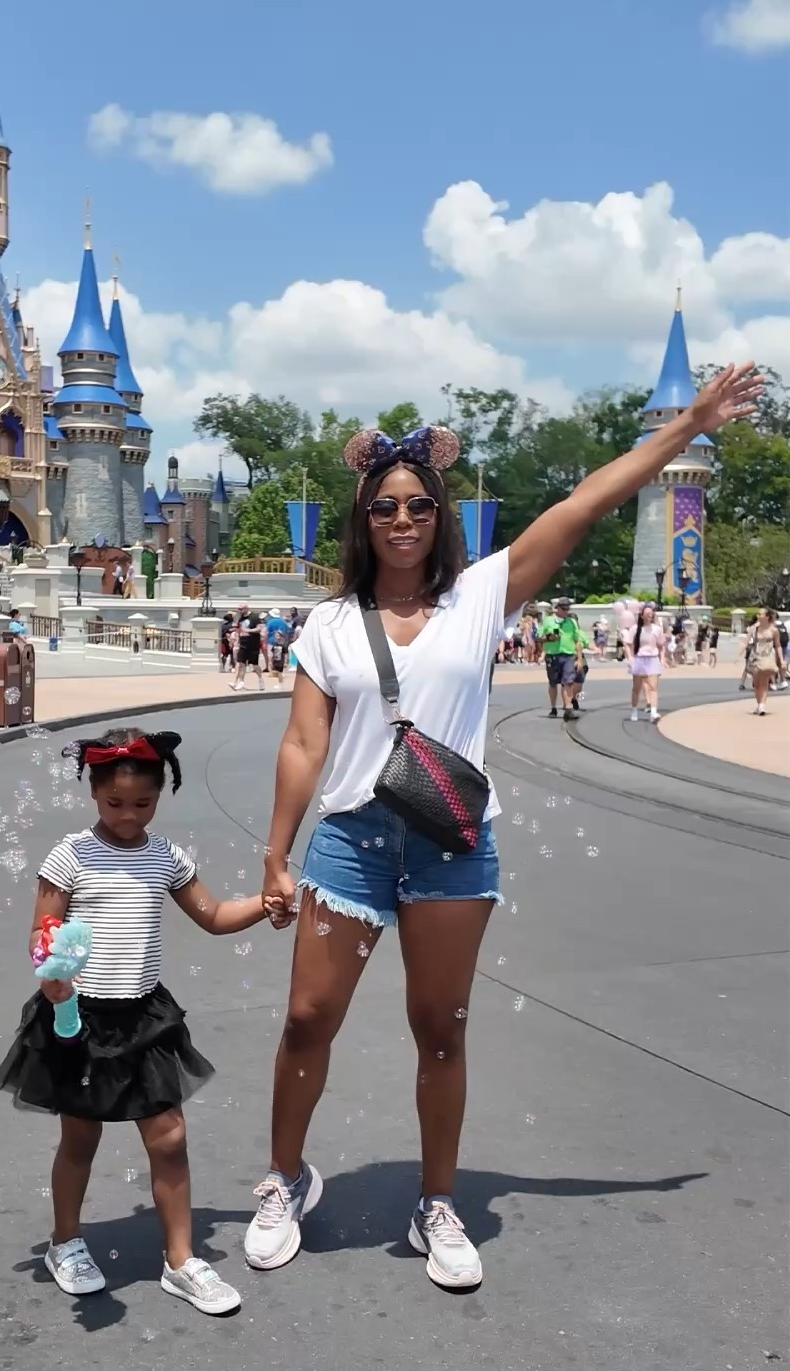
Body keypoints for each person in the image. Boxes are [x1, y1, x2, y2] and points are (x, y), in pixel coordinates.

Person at [246, 364, 762, 1293]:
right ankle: (285, 1179)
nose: (402, 521)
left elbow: (585, 501)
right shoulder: (327, 624)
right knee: (306, 1019)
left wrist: (688, 425)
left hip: (449, 841)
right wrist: (277, 854)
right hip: (351, 843)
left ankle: (435, 1202)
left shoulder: (483, 595)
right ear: (362, 522)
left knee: (439, 1025)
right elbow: (301, 743)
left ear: (440, 517)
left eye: (418, 507)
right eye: (383, 509)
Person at [0, 727, 268, 1316]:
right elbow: (44, 935)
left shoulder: (166, 857)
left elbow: (215, 916)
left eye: (142, 804)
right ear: (94, 792)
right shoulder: (68, 856)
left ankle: (181, 1260)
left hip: (144, 1016)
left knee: (170, 1138)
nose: (127, 814)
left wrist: (265, 906)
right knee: (80, 1137)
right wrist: (51, 974)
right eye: (115, 802)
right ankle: (64, 1243)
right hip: (79, 1017)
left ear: (160, 796)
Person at [537, 597, 582, 721]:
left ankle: (568, 708)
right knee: (553, 683)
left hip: (568, 655)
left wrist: (579, 659)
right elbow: (538, 638)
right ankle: (553, 707)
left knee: (568, 682)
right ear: (557, 608)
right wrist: (548, 638)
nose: (566, 611)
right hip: (553, 655)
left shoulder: (571, 622)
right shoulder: (548, 621)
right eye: (563, 608)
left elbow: (577, 641)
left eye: (568, 609)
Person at [629, 604, 665, 721]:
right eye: (647, 613)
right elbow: (628, 644)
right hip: (640, 659)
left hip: (652, 658)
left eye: (651, 613)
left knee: (653, 687)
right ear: (642, 615)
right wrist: (630, 658)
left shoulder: (656, 629)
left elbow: (661, 645)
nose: (650, 615)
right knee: (637, 688)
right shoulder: (635, 629)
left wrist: (662, 659)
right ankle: (634, 710)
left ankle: (653, 712)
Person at [749, 608, 784, 714]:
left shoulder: (774, 630)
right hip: (755, 656)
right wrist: (739, 654)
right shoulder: (753, 628)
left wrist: (781, 660)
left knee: (764, 681)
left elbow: (778, 645)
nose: (758, 616)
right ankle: (759, 703)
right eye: (758, 614)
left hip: (767, 656)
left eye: (761, 614)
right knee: (756, 684)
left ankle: (762, 706)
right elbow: (746, 641)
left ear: (767, 616)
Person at [230, 610, 265, 692]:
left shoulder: (254, 617)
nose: (239, 611)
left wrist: (248, 631)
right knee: (240, 663)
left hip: (253, 644)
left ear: (246, 608)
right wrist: (237, 640)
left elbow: (259, 628)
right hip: (243, 644)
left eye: (241, 609)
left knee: (254, 665)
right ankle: (239, 682)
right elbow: (239, 630)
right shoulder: (241, 619)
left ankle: (260, 679)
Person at [265, 608, 291, 685]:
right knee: (281, 656)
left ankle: (272, 671)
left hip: (272, 640)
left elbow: (266, 631)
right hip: (282, 641)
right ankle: (279, 671)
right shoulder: (284, 622)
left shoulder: (270, 622)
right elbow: (287, 631)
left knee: (271, 656)